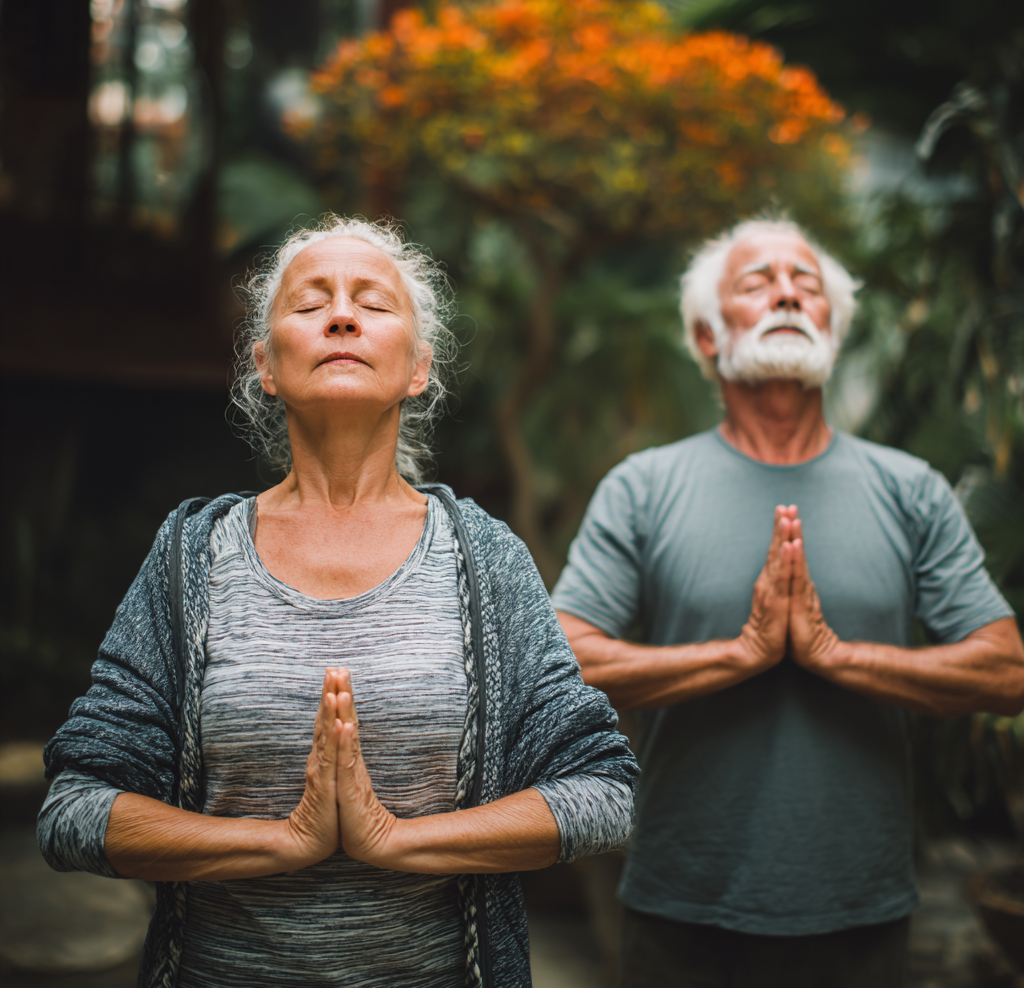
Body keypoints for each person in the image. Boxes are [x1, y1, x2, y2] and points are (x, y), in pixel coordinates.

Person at [38, 216, 638, 988]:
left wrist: (393, 841)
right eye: (311, 301)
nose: (343, 316)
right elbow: (75, 808)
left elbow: (601, 791)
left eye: (374, 303)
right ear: (265, 365)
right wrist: (281, 843)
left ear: (419, 367)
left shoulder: (485, 559)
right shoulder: (192, 556)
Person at [551, 218, 1024, 988]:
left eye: (808, 285)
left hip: (860, 913)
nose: (787, 294)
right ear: (707, 337)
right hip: (680, 914)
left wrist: (836, 656)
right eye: (757, 282)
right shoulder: (642, 487)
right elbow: (566, 660)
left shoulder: (911, 491)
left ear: (833, 329)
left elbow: (1005, 669)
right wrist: (740, 654)